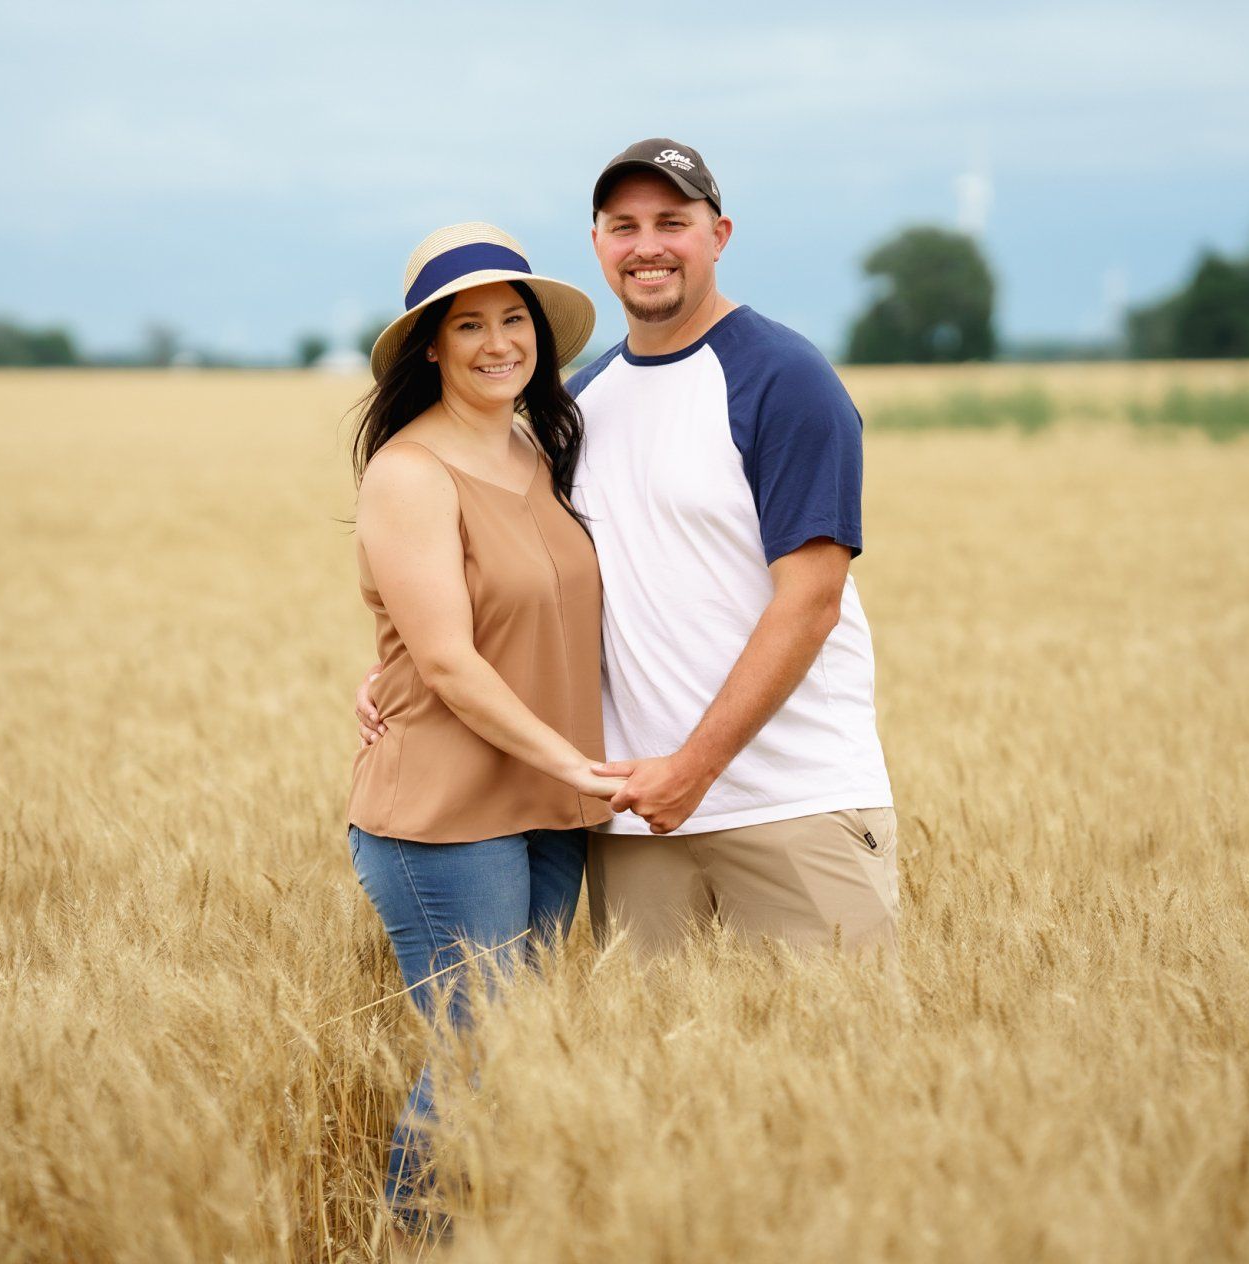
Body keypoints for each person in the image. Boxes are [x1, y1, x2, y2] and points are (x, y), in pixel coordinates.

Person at [360, 140, 899, 961]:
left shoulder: (785, 379)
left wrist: (695, 765)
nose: (647, 245)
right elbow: (510, 580)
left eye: (671, 222)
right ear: (599, 245)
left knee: (843, 1071)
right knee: (650, 1083)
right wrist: (400, 677)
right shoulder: (577, 409)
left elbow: (811, 601)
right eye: (624, 225)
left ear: (718, 235)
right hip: (630, 819)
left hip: (788, 803)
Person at [344, 221, 622, 1237]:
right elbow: (451, 660)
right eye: (472, 324)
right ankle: (407, 1242)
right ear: (431, 344)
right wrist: (574, 759)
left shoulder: (539, 446)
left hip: (550, 798)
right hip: (451, 809)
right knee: (478, 1048)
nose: (500, 340)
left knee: (520, 1043)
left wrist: (569, 773)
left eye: (517, 320)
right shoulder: (409, 474)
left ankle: (492, 1236)